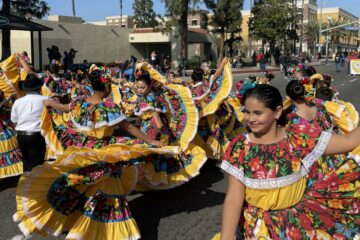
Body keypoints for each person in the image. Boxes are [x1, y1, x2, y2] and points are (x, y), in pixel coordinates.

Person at [217, 84, 360, 240]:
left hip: (297, 226)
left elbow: (348, 141)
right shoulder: (239, 147)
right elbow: (233, 198)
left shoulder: (298, 138)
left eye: (258, 113)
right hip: (258, 230)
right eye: (247, 112)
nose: (250, 119)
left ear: (277, 112)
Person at [11, 74, 48, 173]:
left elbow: (14, 120)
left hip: (21, 135)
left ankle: (26, 185)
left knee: (26, 162)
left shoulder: (18, 102)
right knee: (36, 164)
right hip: (36, 134)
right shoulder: (46, 100)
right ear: (39, 87)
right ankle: (32, 186)